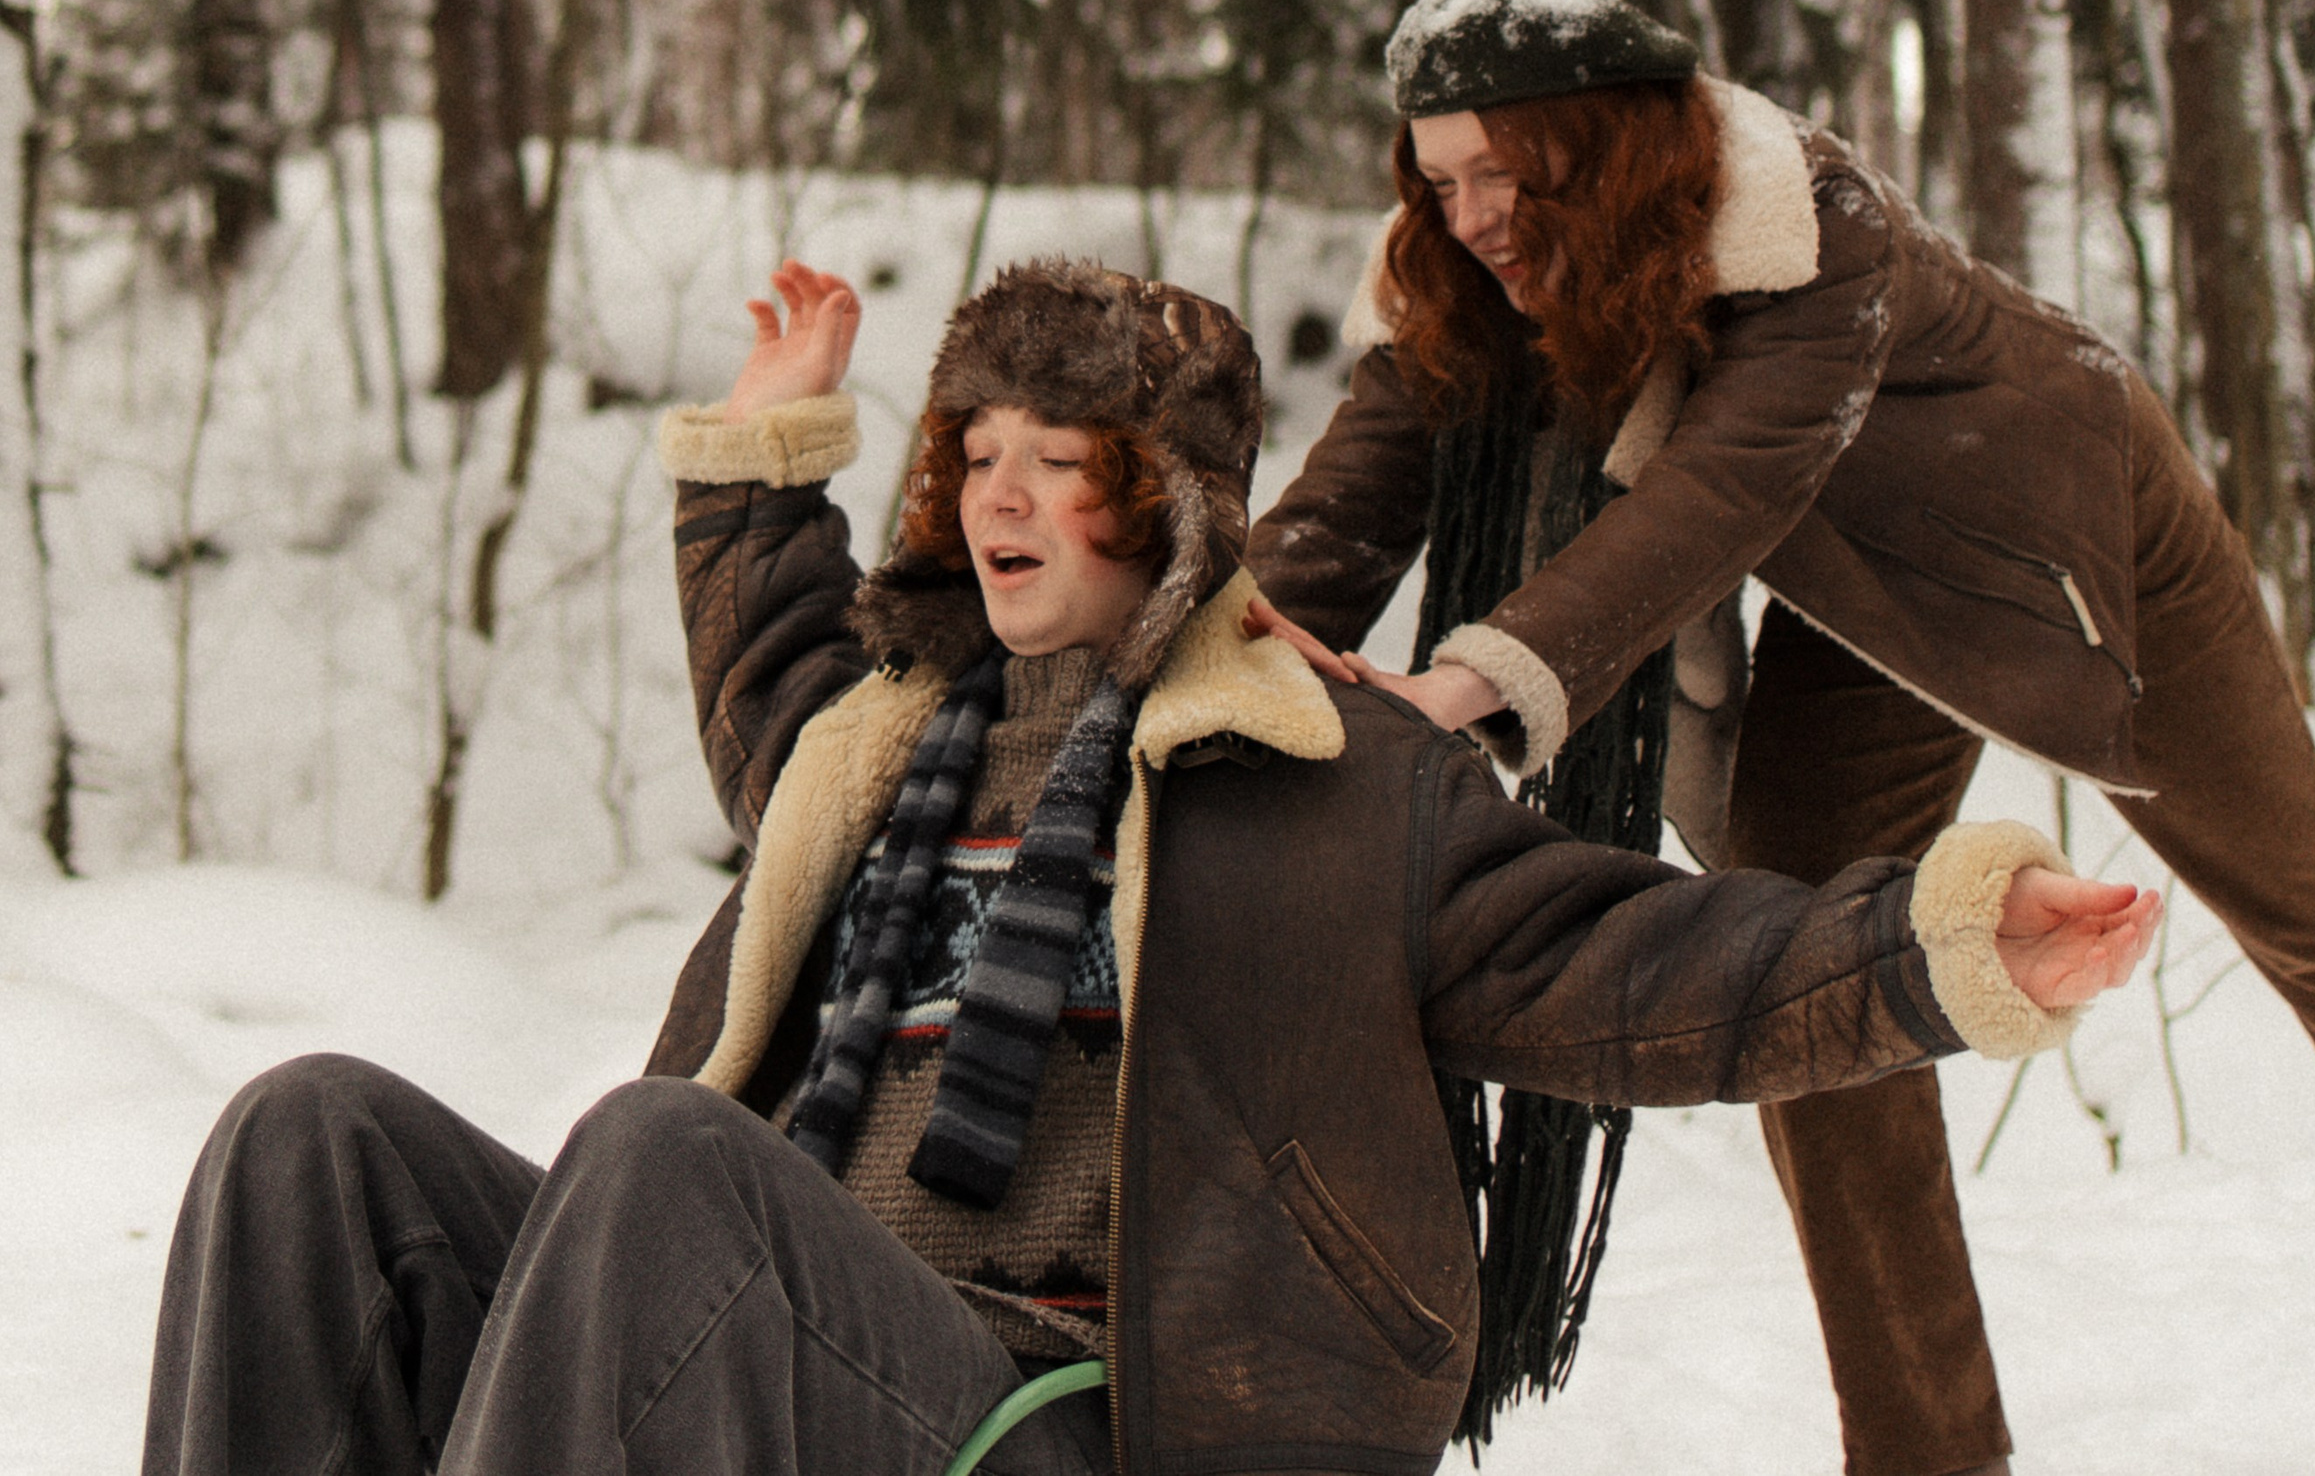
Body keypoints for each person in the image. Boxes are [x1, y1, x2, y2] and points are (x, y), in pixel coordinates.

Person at [141, 257, 2158, 1475]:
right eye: (975, 454)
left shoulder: (1332, 775)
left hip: (1071, 1412)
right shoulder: (881, 739)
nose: (998, 495)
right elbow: (772, 648)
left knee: (665, 1157)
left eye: (1056, 459)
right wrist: (763, 453)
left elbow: (1638, 968)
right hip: (796, 1347)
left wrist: (1938, 945)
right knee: (313, 1142)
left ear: (1170, 504)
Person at [1240, 0, 2315, 1475]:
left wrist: (1468, 684)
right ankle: (1929, 1452)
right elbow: (1351, 497)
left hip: (2068, 548)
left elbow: (1717, 491)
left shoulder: (1806, 224)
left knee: (2314, 898)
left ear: (1592, 141)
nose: (1471, 215)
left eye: (1501, 173)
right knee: (1814, 961)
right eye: (1440, 180)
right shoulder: (1473, 279)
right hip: (1855, 602)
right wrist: (1215, 654)